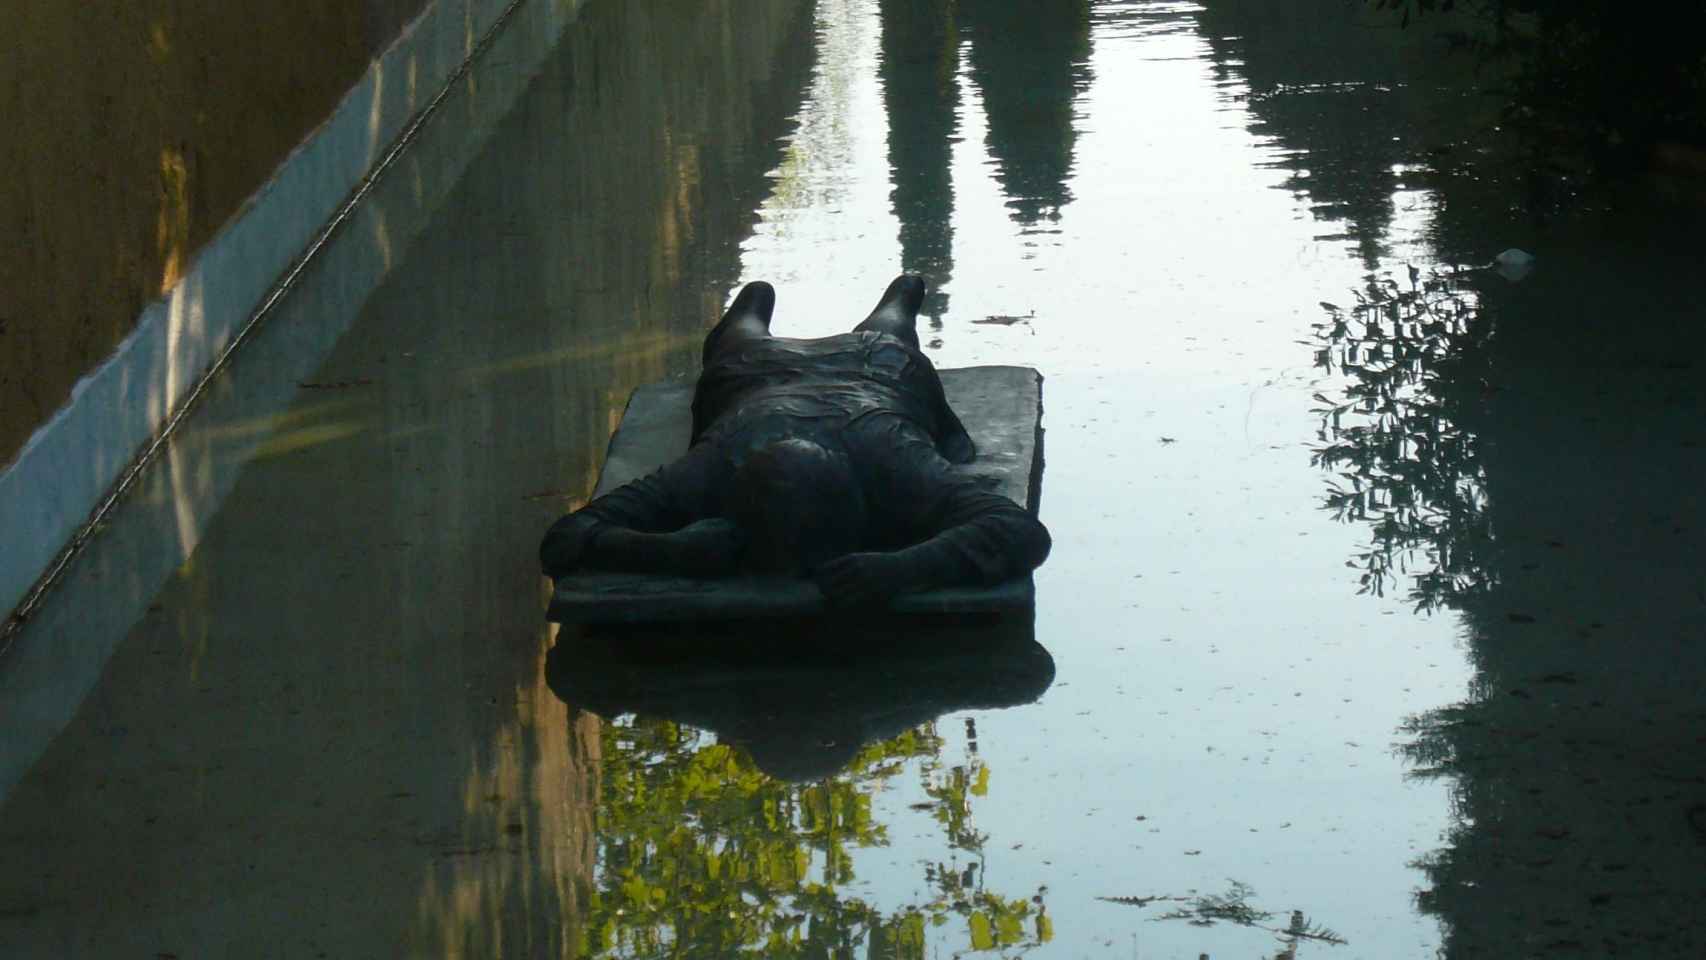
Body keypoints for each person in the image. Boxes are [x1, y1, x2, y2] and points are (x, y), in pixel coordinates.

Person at [539, 275, 1050, 606]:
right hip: (770, 375)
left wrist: (902, 568)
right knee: (752, 343)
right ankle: (763, 311)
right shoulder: (716, 467)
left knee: (888, 334)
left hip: (857, 374)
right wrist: (667, 552)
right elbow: (563, 538)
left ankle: (894, 299)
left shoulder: (890, 459)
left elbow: (1022, 533)